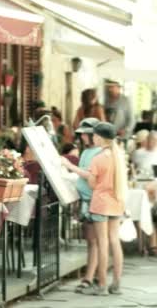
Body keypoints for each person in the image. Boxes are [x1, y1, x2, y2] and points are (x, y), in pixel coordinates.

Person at [61, 122, 126, 295]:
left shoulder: (98, 158)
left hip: (100, 203)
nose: (93, 138)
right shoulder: (118, 155)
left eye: (95, 135)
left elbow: (92, 182)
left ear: (100, 137)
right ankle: (117, 283)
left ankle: (102, 284)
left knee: (102, 243)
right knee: (115, 242)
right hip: (116, 202)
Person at [64, 118, 102, 293]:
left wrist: (69, 165)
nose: (83, 137)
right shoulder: (86, 152)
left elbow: (89, 175)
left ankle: (90, 277)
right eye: (82, 134)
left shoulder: (98, 152)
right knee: (90, 241)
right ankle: (92, 275)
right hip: (86, 201)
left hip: (94, 201)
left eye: (86, 134)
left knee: (94, 241)